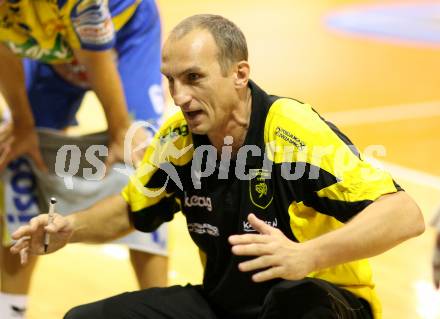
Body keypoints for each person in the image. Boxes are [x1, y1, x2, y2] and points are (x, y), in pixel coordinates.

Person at [10, 14, 425, 319]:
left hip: (326, 300)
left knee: (293, 306)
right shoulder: (178, 141)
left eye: (193, 77)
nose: (179, 96)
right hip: (226, 303)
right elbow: (133, 208)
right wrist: (71, 227)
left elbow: (404, 214)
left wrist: (306, 256)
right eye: (170, 80)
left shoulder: (292, 130)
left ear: (239, 74)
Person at [0, 0, 168, 317]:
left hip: (124, 36)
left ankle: (160, 307)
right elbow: (4, 48)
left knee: (145, 166)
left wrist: (122, 131)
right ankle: (9, 310)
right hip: (49, 43)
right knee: (16, 155)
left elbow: (95, 51)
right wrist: (22, 123)